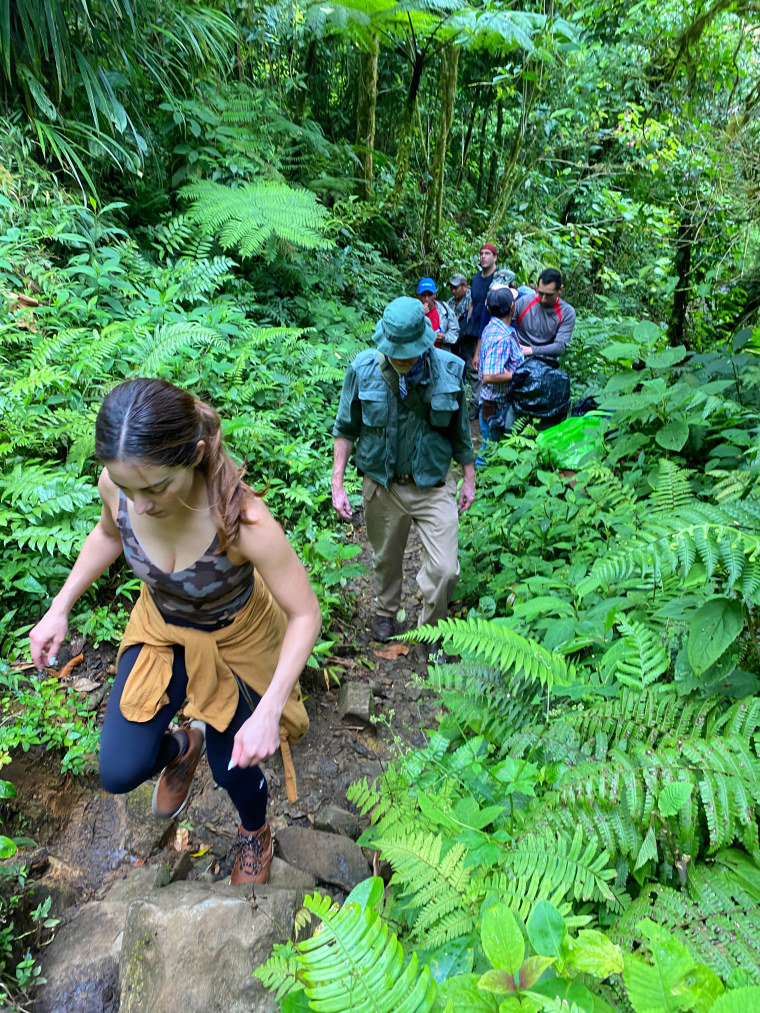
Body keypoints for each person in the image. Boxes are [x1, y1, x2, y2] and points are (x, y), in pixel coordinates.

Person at [29, 379, 321, 885]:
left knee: (231, 766)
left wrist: (270, 707)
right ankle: (183, 748)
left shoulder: (242, 520)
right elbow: (106, 534)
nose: (140, 505)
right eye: (129, 489)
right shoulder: (117, 488)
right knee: (121, 769)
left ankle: (255, 830)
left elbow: (305, 613)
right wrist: (60, 606)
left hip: (235, 639)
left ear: (196, 455)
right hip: (162, 627)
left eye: (156, 488)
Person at [331, 297, 476, 642]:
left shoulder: (451, 369)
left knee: (444, 569)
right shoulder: (363, 369)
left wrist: (469, 478)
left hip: (434, 483)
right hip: (383, 485)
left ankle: (431, 630)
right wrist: (337, 483)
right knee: (384, 557)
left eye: (407, 352)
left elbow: (461, 433)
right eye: (394, 351)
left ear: (424, 341)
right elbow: (345, 428)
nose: (400, 359)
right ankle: (384, 611)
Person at [477, 287, 524, 462]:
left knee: (490, 450)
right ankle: (476, 486)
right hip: (495, 406)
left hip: (494, 404)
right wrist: (519, 374)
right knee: (488, 453)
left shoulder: (493, 329)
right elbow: (489, 376)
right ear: (512, 307)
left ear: (489, 309)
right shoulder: (501, 338)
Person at [461, 243, 498, 416]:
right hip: (473, 328)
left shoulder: (498, 279)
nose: (483, 256)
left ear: (495, 257)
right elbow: (473, 302)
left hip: (491, 330)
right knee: (473, 368)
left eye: (487, 253)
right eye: (481, 253)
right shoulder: (476, 278)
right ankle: (476, 403)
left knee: (486, 368)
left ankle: (486, 405)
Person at [513, 268, 576, 360]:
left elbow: (559, 347)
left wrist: (531, 350)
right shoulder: (524, 302)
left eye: (549, 295)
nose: (543, 298)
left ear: (560, 289)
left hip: (545, 359)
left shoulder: (567, 312)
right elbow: (503, 325)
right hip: (518, 354)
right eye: (541, 293)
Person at [416, 277, 459, 350]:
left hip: (441, 355)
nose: (426, 299)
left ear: (435, 294)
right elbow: (406, 335)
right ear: (418, 296)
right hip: (420, 354)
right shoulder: (413, 312)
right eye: (423, 295)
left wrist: (444, 337)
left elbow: (455, 331)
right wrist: (419, 315)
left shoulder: (444, 309)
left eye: (429, 294)